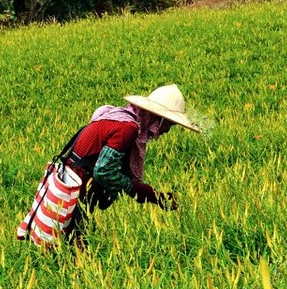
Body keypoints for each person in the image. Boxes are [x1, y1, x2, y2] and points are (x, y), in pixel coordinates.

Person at [20, 84, 200, 248]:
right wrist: (147, 194)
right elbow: (104, 171)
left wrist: (153, 196)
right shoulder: (126, 128)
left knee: (74, 245)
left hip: (71, 185)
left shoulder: (114, 116)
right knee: (77, 252)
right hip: (76, 193)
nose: (168, 130)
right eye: (170, 123)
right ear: (157, 119)